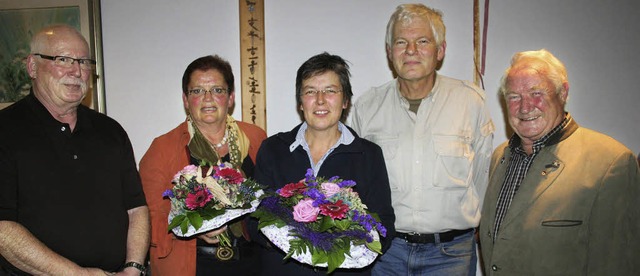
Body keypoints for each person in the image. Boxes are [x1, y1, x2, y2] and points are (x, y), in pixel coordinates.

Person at [348, 4, 494, 275]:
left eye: (422, 41)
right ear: (390, 52)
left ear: (440, 50)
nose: (411, 51)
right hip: (386, 252)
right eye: (401, 42)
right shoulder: (368, 107)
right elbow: (359, 183)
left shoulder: (470, 102)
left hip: (451, 254)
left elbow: (483, 176)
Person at [0, 25, 150, 275]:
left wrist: (133, 268)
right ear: (32, 67)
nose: (77, 71)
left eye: (84, 61)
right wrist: (77, 274)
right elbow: (3, 228)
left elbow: (136, 208)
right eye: (63, 59)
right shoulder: (5, 130)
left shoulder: (111, 131)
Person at [479, 49, 640, 275]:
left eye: (536, 93)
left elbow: (617, 263)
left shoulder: (611, 162)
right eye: (514, 96)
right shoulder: (500, 156)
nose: (525, 107)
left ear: (563, 93)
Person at [252, 52, 396, 275]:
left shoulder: (368, 155)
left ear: (345, 100)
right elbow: (255, 217)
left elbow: (384, 224)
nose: (320, 100)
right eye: (310, 91)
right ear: (300, 102)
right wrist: (285, 242)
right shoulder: (273, 149)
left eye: (330, 91)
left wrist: (347, 248)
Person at [139, 55, 267, 276]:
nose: (208, 98)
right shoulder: (162, 149)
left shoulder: (255, 138)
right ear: (185, 100)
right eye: (197, 91)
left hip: (251, 263)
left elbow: (269, 200)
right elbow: (148, 219)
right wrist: (192, 227)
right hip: (193, 265)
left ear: (231, 98)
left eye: (217, 90)